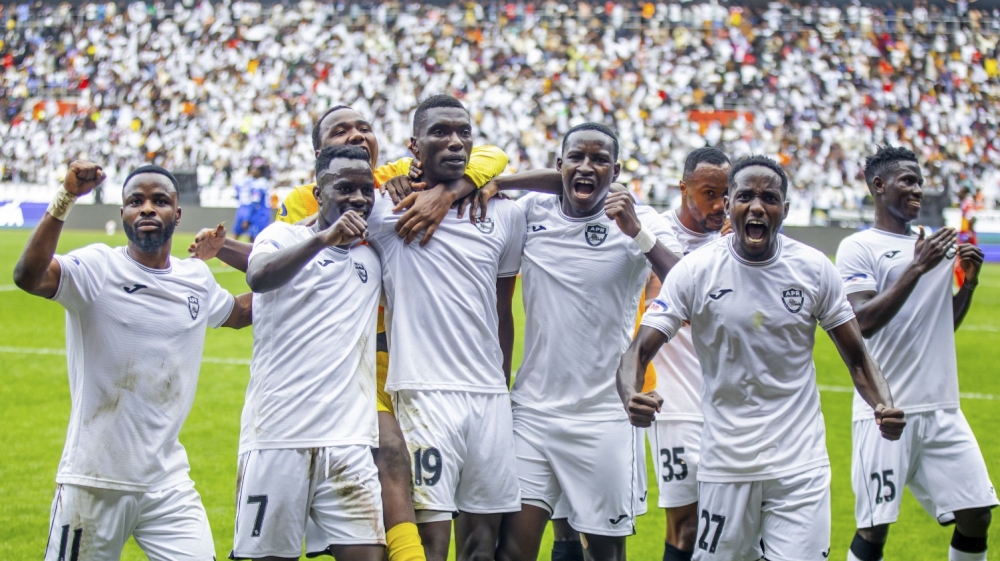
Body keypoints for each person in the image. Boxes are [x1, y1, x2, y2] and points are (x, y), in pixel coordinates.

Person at [189, 103, 508, 561]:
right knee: (393, 452)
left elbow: (491, 156)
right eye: (342, 131)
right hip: (295, 406)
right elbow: (274, 265)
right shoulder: (298, 209)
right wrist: (230, 260)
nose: (358, 136)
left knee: (398, 467)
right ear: (319, 175)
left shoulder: (394, 184)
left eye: (365, 128)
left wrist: (454, 189)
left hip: (387, 362)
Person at [618, 155, 906, 561]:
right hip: (726, 464)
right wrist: (631, 393)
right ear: (730, 204)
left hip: (799, 465)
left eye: (769, 198)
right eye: (746, 196)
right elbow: (638, 351)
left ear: (784, 210)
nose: (756, 206)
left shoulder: (813, 269)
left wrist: (883, 403)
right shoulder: (696, 272)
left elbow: (858, 355)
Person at [13, 161, 253, 560]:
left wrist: (308, 277)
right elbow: (28, 276)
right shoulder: (96, 267)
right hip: (93, 481)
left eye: (159, 201)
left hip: (167, 483)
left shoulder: (195, 278)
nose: (146, 209)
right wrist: (66, 195)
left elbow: (240, 313)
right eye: (135, 201)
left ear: (176, 215)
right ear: (121, 213)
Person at [493, 122, 682, 561]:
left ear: (615, 172)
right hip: (533, 414)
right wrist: (501, 182)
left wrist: (635, 229)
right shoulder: (530, 213)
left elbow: (684, 281)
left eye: (599, 160)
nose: (586, 167)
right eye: (576, 157)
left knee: (605, 554)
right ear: (557, 166)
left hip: (604, 418)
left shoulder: (639, 219)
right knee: (512, 552)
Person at [363, 94, 526, 561]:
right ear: (414, 146)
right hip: (422, 393)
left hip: (488, 398)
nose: (455, 141)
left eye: (464, 133)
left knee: (482, 545)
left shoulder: (504, 214)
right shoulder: (385, 211)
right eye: (440, 132)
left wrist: (503, 385)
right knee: (433, 544)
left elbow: (502, 309)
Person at [836, 146, 997, 561]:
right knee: (874, 528)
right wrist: (916, 268)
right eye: (907, 180)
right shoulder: (859, 247)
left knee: (977, 513)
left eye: (919, 182)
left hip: (943, 408)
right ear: (878, 185)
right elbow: (862, 322)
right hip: (885, 410)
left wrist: (970, 286)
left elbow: (944, 323)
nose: (918, 190)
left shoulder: (932, 246)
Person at [232, 145, 385, 560]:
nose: (357, 198)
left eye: (365, 189)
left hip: (349, 441)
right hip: (279, 438)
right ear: (318, 194)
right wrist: (324, 237)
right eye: (344, 188)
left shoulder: (371, 257)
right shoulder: (281, 236)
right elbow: (259, 276)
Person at [642, 147, 731, 561]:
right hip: (676, 405)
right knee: (686, 525)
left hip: (729, 403)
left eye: (726, 194)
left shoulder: (738, 236)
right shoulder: (657, 230)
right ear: (683, 188)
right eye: (708, 193)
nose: (719, 204)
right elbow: (677, 301)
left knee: (730, 522)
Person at [232, 158, 271, 241]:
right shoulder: (263, 182)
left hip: (259, 213)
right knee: (252, 236)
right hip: (261, 212)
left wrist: (247, 217)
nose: (253, 171)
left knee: (256, 238)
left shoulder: (260, 183)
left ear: (260, 171)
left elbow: (255, 201)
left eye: (255, 169)